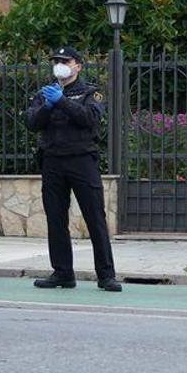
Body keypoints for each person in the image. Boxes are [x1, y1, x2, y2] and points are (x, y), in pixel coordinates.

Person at [26, 46, 121, 292]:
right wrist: (48, 105)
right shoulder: (44, 93)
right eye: (55, 61)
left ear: (78, 65)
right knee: (56, 219)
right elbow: (31, 122)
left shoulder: (91, 92)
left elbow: (89, 118)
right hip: (52, 160)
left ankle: (106, 275)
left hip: (82, 160)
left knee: (95, 218)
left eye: (64, 60)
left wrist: (63, 102)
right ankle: (62, 273)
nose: (59, 64)